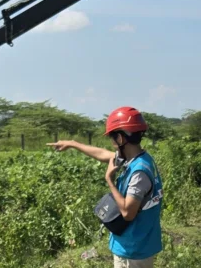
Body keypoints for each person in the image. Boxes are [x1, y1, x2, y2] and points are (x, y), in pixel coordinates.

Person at [50, 106, 163, 267]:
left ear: (121, 138)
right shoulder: (138, 159)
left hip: (133, 250)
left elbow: (128, 213)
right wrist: (72, 144)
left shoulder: (139, 173)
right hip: (136, 243)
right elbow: (104, 155)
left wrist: (109, 180)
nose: (112, 144)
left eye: (112, 138)